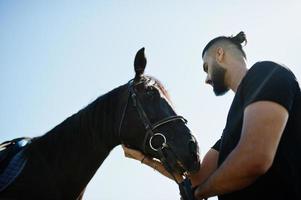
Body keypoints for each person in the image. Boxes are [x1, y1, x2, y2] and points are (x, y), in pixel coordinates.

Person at [123, 31, 301, 200]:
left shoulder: (266, 73)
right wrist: (143, 158)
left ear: (220, 54)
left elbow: (254, 158)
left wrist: (199, 194)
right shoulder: (232, 128)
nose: (207, 79)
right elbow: (195, 180)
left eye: (206, 67)